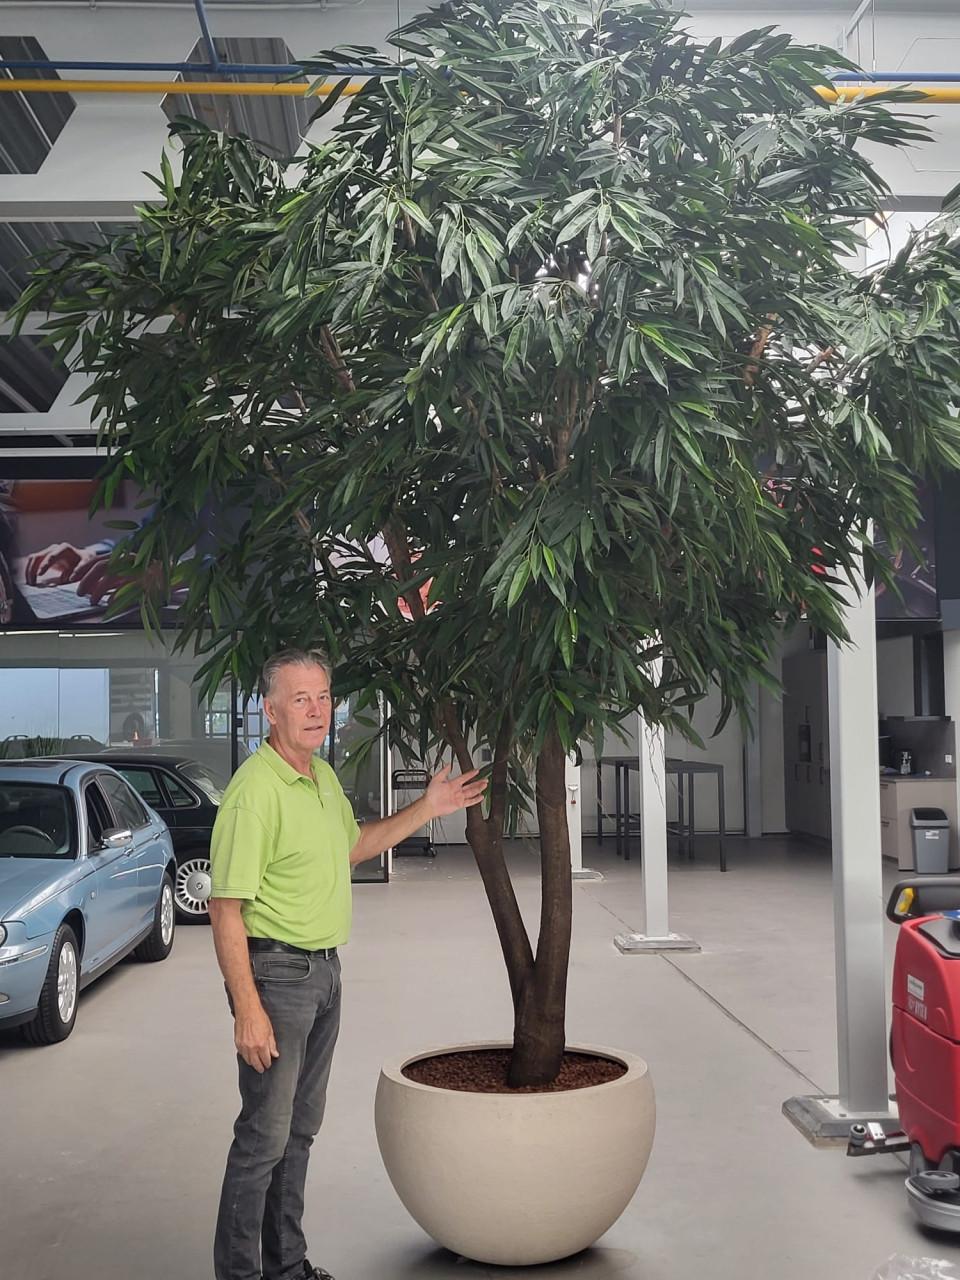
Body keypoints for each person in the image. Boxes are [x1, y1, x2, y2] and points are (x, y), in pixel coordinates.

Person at [209, 648, 486, 1280]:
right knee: (263, 1139)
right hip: (276, 978)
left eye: (323, 697)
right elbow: (227, 911)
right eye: (299, 699)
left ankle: (286, 1267)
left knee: (299, 1131)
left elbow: (354, 847)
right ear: (268, 710)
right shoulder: (254, 794)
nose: (315, 710)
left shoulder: (321, 777)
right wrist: (247, 1010)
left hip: (324, 974)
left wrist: (429, 807)